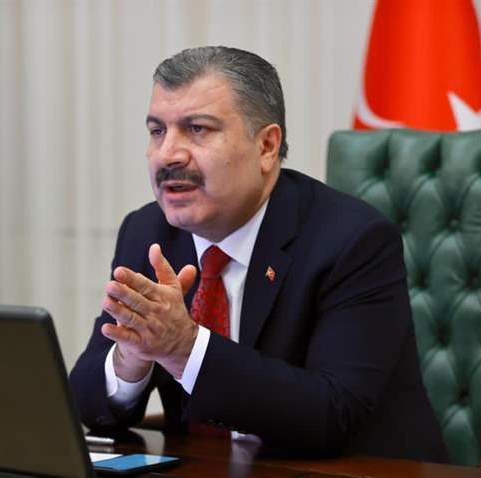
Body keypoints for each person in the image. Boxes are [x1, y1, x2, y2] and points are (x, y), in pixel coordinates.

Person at [70, 46, 447, 462]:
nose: (168, 154)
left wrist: (184, 348)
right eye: (157, 131)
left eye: (197, 129)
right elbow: (86, 405)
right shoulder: (150, 233)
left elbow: (333, 413)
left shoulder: (353, 240)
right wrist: (131, 358)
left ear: (267, 146)